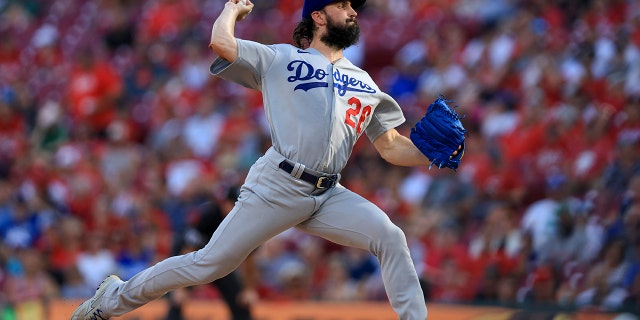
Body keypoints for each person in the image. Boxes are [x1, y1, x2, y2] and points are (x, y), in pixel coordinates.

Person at [71, 0, 440, 319]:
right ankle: (113, 297)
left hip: (329, 194)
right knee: (209, 264)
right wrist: (231, 9)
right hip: (278, 184)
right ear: (319, 17)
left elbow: (391, 146)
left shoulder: (365, 82)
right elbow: (221, 43)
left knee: (391, 237)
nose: (352, 11)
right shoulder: (280, 56)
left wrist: (433, 154)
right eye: (342, 5)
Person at [165, 186, 258, 320]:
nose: (236, 208)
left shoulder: (246, 223)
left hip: (220, 262)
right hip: (193, 258)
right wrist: (180, 288)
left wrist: (249, 289)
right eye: (233, 203)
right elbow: (188, 247)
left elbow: (249, 259)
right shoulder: (210, 215)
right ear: (224, 203)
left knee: (240, 302)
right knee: (177, 301)